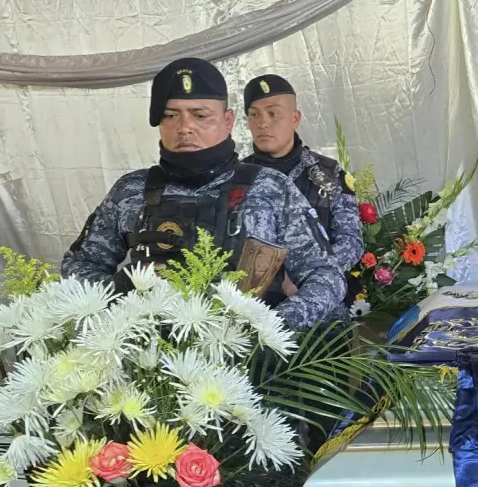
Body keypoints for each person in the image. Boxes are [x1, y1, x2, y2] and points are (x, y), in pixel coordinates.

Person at [61, 57, 345, 333]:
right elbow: (79, 266)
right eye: (171, 115)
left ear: (228, 120)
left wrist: (268, 326)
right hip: (154, 366)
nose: (185, 127)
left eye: (200, 115)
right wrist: (123, 307)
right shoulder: (131, 191)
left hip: (250, 362)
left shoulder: (270, 188)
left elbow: (326, 276)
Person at [243, 74, 364, 288]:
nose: (262, 123)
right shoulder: (239, 178)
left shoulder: (329, 174)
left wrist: (312, 276)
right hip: (254, 304)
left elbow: (351, 241)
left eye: (273, 113)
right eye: (254, 115)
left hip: (321, 303)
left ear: (295, 119)